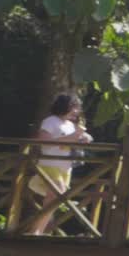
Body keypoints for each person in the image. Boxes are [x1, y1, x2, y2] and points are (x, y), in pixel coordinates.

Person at [27, 92, 92, 235]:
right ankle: (35, 230)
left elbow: (82, 137)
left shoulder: (71, 124)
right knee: (56, 196)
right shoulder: (50, 121)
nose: (77, 111)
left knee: (53, 199)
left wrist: (84, 138)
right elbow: (43, 140)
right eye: (75, 107)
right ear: (66, 106)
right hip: (49, 164)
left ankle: (37, 231)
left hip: (65, 168)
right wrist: (71, 138)